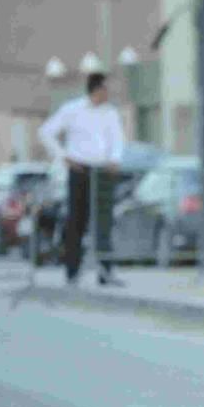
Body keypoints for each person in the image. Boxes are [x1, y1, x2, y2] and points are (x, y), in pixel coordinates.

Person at [38, 72, 125, 287]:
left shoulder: (110, 113)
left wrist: (115, 159)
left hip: (103, 171)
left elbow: (117, 139)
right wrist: (63, 157)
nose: (109, 93)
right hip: (80, 170)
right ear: (96, 89)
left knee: (104, 222)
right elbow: (46, 132)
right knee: (76, 221)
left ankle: (105, 272)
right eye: (106, 89)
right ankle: (72, 272)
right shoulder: (73, 109)